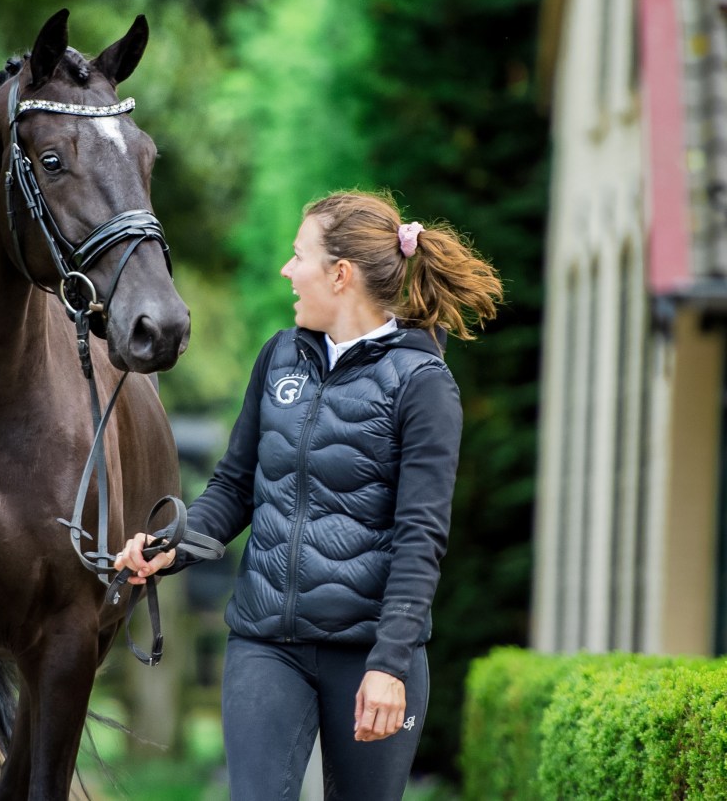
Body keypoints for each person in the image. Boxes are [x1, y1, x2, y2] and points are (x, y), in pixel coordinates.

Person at [114, 190, 502, 801]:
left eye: (299, 257)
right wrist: (172, 547)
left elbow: (419, 536)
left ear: (340, 274)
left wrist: (390, 663)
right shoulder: (279, 357)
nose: (286, 271)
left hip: (369, 655)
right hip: (266, 643)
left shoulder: (423, 385)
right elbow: (236, 485)